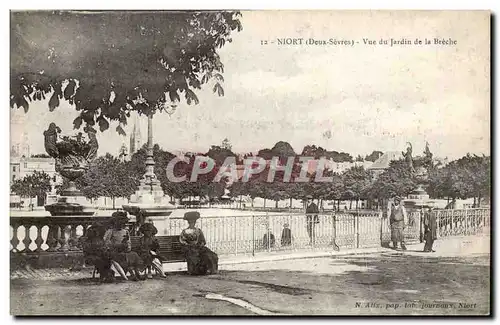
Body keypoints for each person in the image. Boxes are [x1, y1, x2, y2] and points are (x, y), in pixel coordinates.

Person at [104, 211, 144, 281]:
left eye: (122, 223)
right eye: (118, 222)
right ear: (114, 222)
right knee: (121, 256)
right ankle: (131, 274)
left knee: (134, 255)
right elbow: (106, 242)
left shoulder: (125, 231)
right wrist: (117, 245)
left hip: (124, 250)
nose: (120, 224)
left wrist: (127, 247)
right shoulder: (110, 231)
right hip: (113, 251)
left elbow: (128, 242)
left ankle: (137, 273)